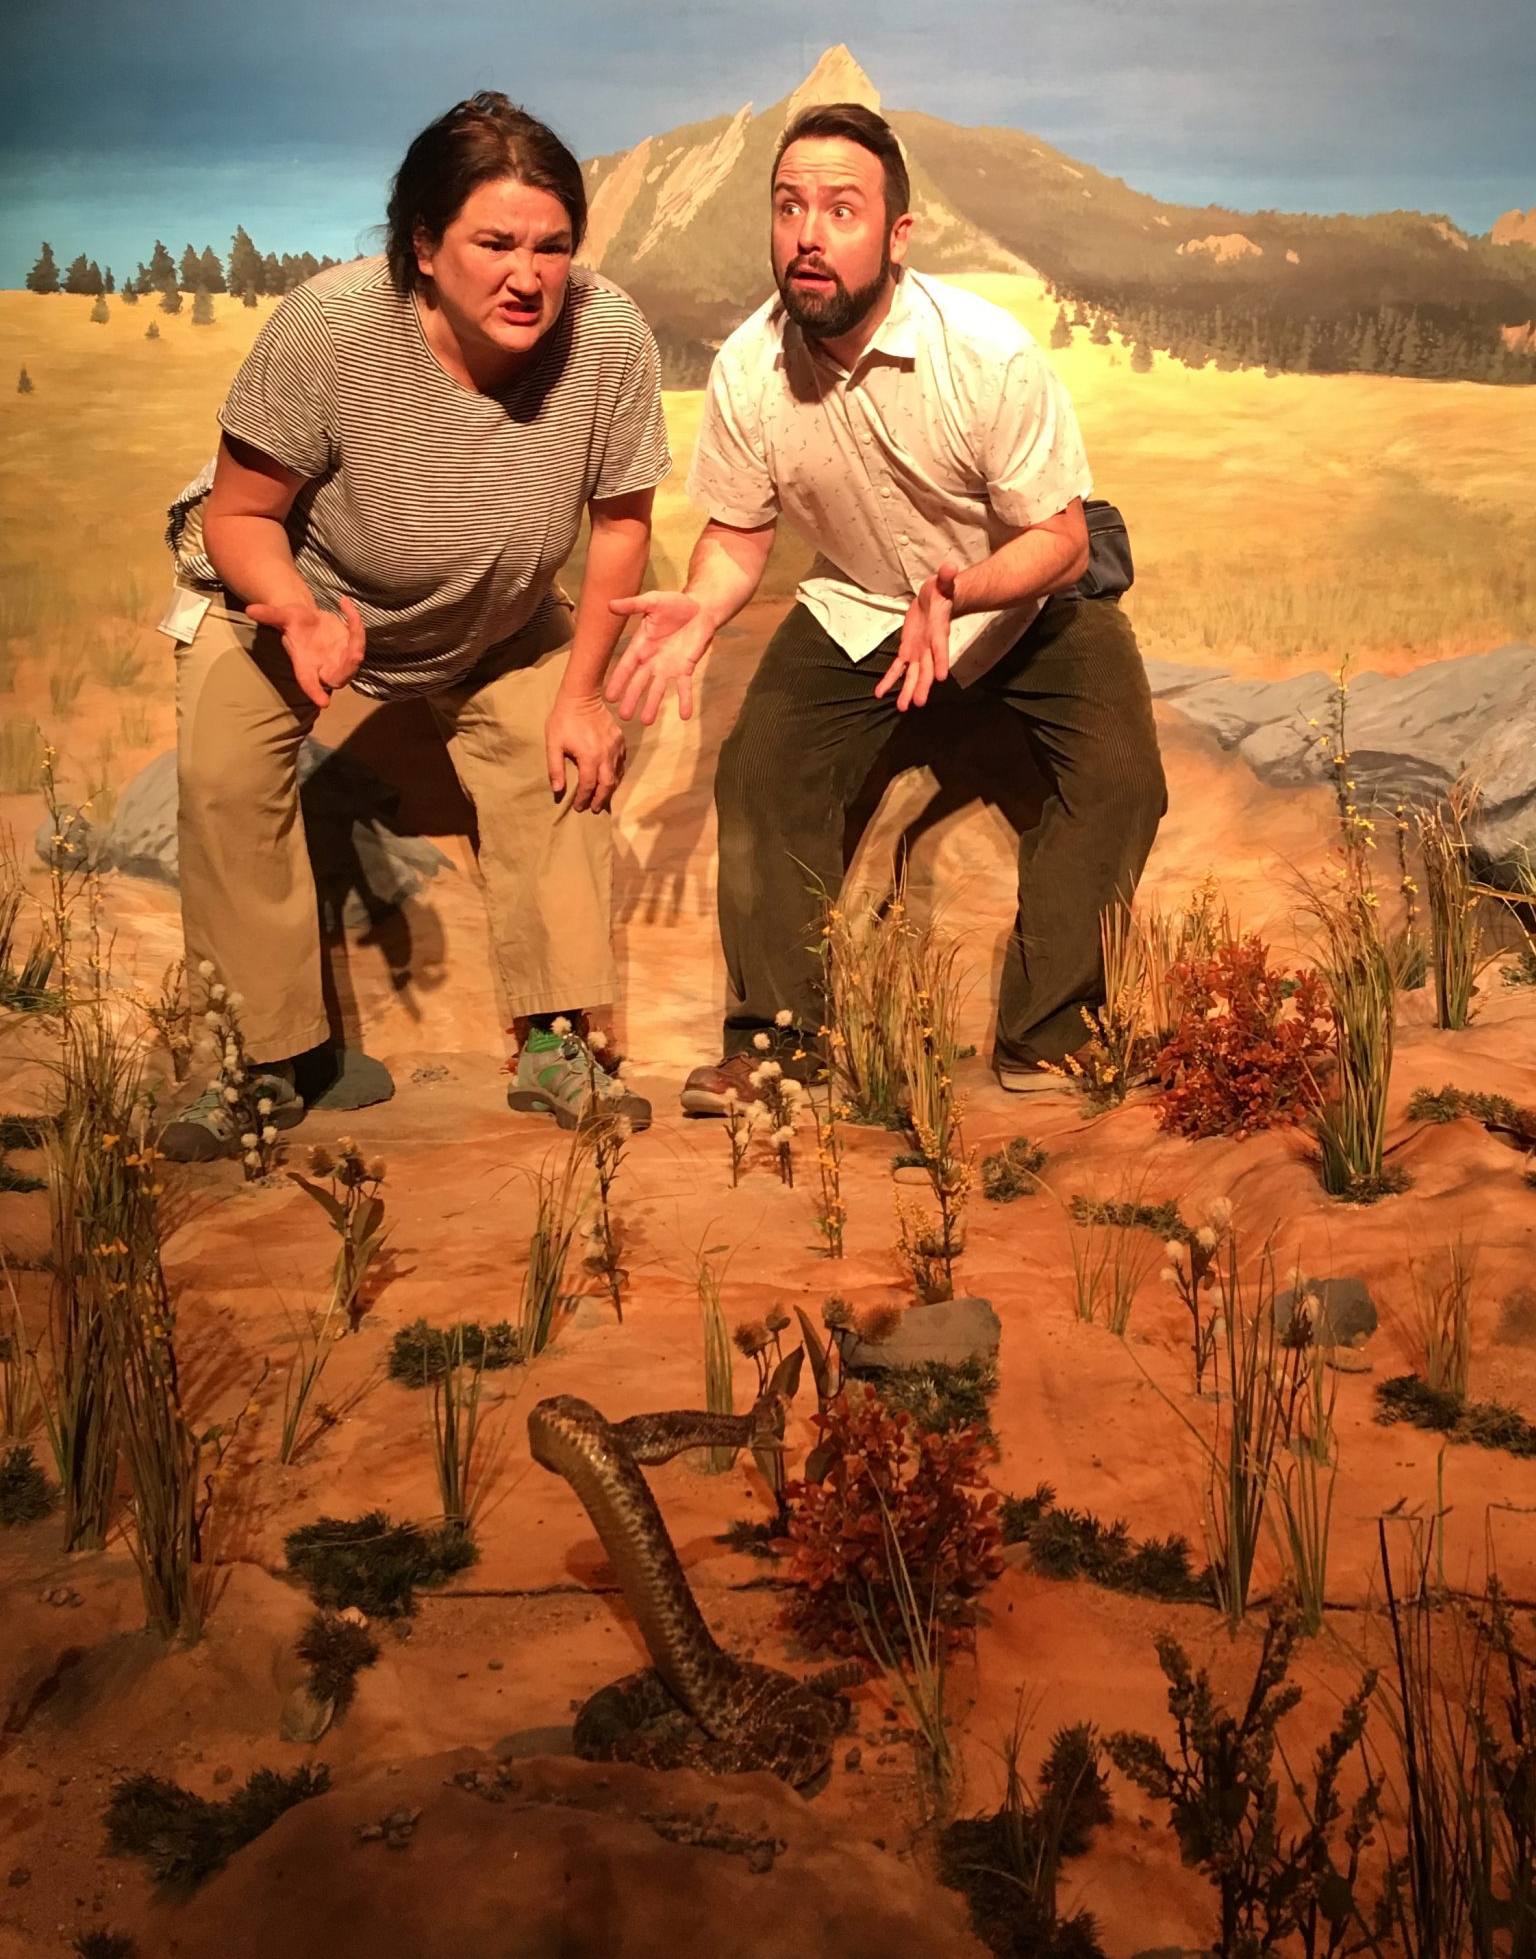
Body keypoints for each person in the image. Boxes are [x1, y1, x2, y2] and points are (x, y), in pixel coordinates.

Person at [603, 99, 1167, 1113]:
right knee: (761, 772)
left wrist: (961, 590)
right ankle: (780, 1049)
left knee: (1122, 780)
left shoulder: (984, 353)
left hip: (1021, 594)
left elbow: (1063, 541)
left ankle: (1046, 1034)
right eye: (788, 207)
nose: (807, 235)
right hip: (863, 603)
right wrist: (704, 604)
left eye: (840, 210)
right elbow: (738, 534)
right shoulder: (748, 370)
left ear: (897, 234)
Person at [158, 91, 668, 1159]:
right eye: (495, 244)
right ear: (425, 247)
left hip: (494, 615)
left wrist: (582, 695)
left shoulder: (608, 334)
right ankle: (259, 1062)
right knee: (223, 774)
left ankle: (554, 1041)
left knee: (565, 758)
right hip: (292, 596)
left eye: (552, 246)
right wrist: (297, 615)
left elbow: (622, 522)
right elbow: (239, 516)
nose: (528, 275)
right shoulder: (331, 327)